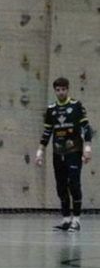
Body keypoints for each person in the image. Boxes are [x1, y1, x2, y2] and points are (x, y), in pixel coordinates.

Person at [35, 77, 92, 232]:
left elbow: (86, 127)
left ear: (67, 89)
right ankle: (66, 220)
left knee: (74, 184)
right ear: (55, 91)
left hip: (74, 151)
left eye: (63, 89)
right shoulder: (51, 109)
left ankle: (77, 220)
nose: (61, 92)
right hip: (57, 153)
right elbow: (47, 132)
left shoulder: (76, 106)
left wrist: (87, 148)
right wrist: (40, 151)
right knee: (61, 186)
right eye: (58, 90)